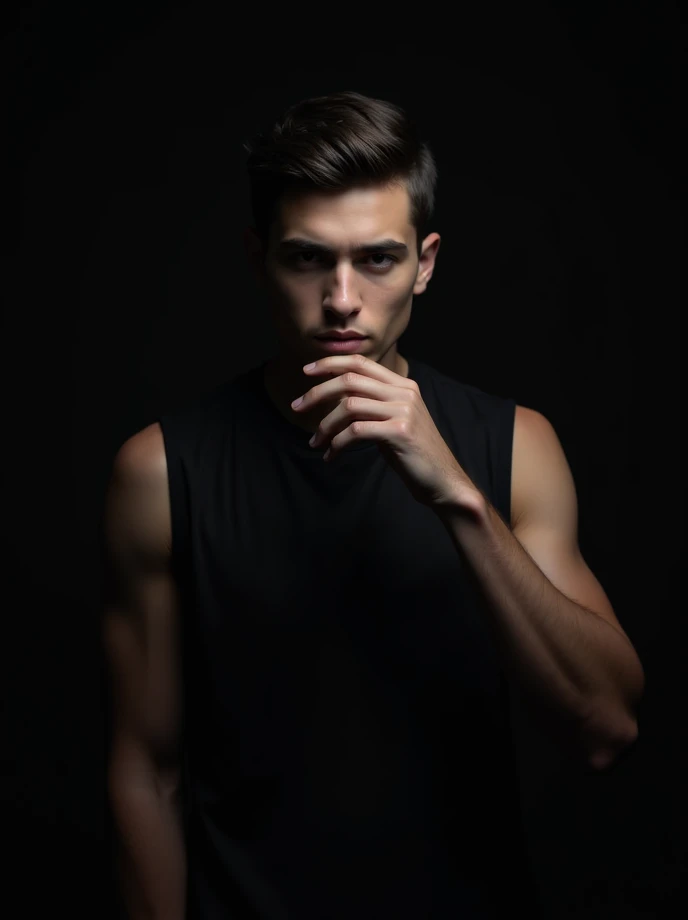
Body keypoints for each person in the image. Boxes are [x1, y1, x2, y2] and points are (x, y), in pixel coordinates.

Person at [102, 90, 644, 919]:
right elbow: (148, 770)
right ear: (259, 259)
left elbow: (605, 725)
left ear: (426, 262)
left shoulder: (516, 447)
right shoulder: (160, 471)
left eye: (379, 260)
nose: (344, 298)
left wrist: (456, 495)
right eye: (308, 258)